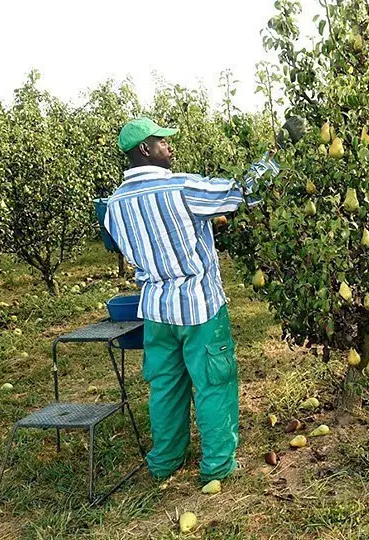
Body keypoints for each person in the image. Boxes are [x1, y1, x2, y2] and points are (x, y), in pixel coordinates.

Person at [104, 118, 278, 483]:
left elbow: (132, 250)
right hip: (199, 307)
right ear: (144, 150)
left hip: (155, 309)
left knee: (165, 387)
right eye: (162, 142)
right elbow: (241, 191)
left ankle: (165, 462)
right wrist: (274, 156)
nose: (170, 148)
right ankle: (217, 466)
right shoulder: (180, 186)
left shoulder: (115, 205)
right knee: (214, 383)